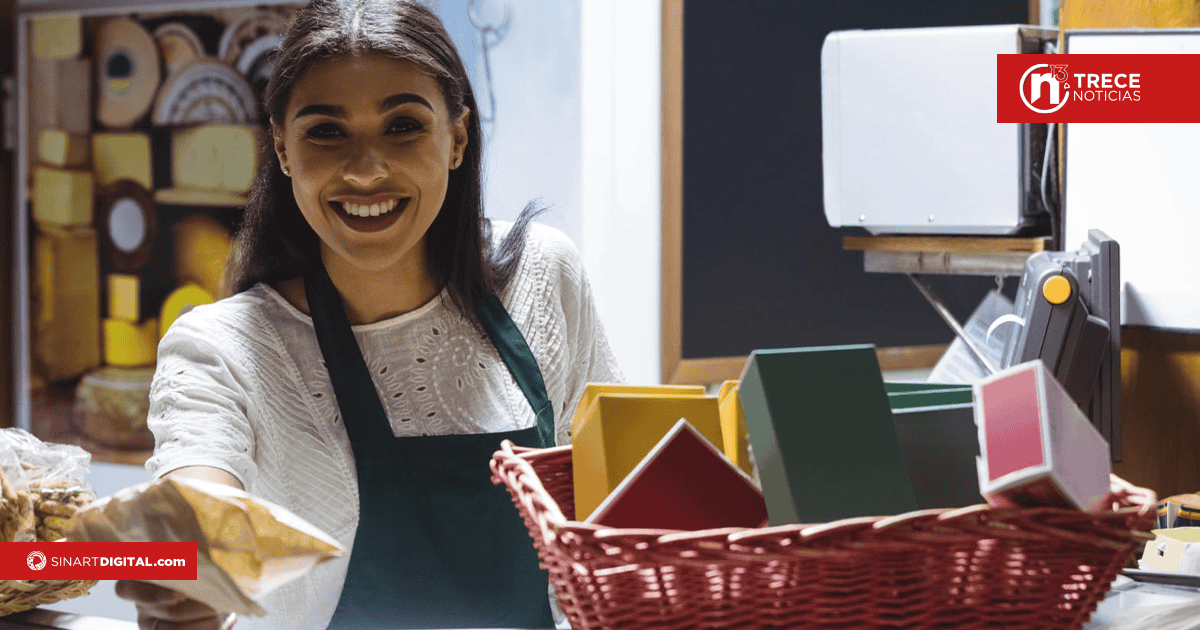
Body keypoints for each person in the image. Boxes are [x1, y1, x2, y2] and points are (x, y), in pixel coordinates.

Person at [115, 0, 622, 628]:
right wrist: (184, 567)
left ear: (457, 138)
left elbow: (621, 503)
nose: (366, 170)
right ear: (283, 148)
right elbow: (194, 503)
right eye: (327, 132)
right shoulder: (223, 346)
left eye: (403, 125)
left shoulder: (545, 277)